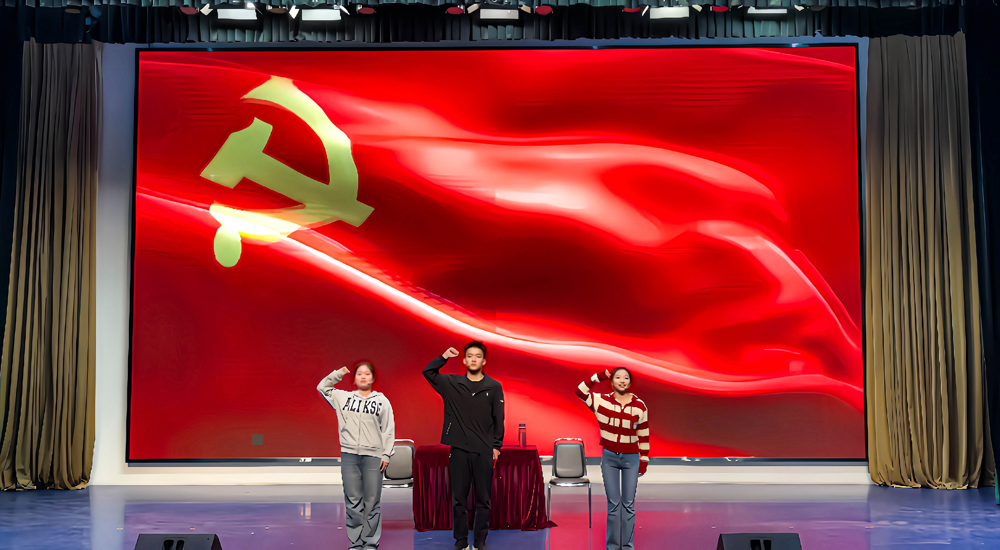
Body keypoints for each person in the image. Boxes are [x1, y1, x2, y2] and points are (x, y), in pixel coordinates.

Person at [423, 341, 505, 550]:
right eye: (470, 356)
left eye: (478, 356)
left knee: (483, 500)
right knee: (458, 499)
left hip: (484, 451)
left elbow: (499, 418)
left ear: (484, 361)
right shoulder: (452, 383)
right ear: (464, 360)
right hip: (459, 449)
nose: (473, 359)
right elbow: (428, 372)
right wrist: (444, 356)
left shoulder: (494, 386)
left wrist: (496, 446)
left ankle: (479, 542)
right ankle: (461, 541)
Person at [318, 361, 395, 550]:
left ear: (373, 378)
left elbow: (388, 429)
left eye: (367, 373)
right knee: (352, 501)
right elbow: (322, 387)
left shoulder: (382, 401)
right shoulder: (342, 398)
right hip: (349, 456)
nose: (363, 376)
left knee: (372, 501)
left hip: (374, 458)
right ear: (354, 379)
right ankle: (357, 542)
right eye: (359, 373)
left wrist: (386, 454)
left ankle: (370, 542)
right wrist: (339, 373)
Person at [576, 367, 649, 550]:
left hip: (631, 458)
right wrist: (598, 377)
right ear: (612, 381)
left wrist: (644, 459)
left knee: (628, 504)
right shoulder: (601, 401)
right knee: (614, 504)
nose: (622, 381)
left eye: (626, 378)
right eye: (618, 377)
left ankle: (627, 546)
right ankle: (613, 547)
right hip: (609, 458)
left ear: (630, 382)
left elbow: (643, 433)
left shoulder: (640, 405)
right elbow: (580, 391)